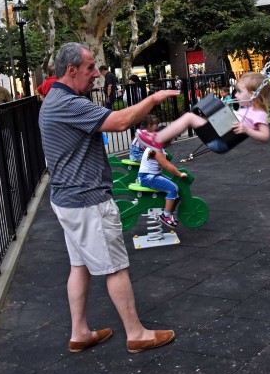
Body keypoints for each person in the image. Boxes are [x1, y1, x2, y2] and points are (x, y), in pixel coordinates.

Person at [38, 42, 180, 355]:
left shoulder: (55, 99)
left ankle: (80, 332)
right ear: (72, 70)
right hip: (87, 201)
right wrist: (153, 98)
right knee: (115, 267)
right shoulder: (67, 102)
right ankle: (136, 333)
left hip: (66, 199)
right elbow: (119, 122)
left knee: (79, 266)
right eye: (90, 68)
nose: (96, 75)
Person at [137, 72, 270, 154]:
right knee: (192, 116)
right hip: (219, 136)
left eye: (239, 92)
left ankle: (158, 139)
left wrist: (247, 130)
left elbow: (265, 136)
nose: (235, 95)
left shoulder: (259, 114)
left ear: (252, 94)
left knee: (189, 117)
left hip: (222, 141)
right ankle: (165, 139)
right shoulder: (246, 109)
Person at [137, 137, 188, 228]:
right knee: (173, 188)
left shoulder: (155, 148)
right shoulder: (156, 151)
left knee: (171, 184)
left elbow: (165, 163)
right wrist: (179, 174)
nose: (171, 141)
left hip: (150, 176)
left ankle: (166, 209)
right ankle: (166, 215)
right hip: (148, 177)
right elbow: (167, 166)